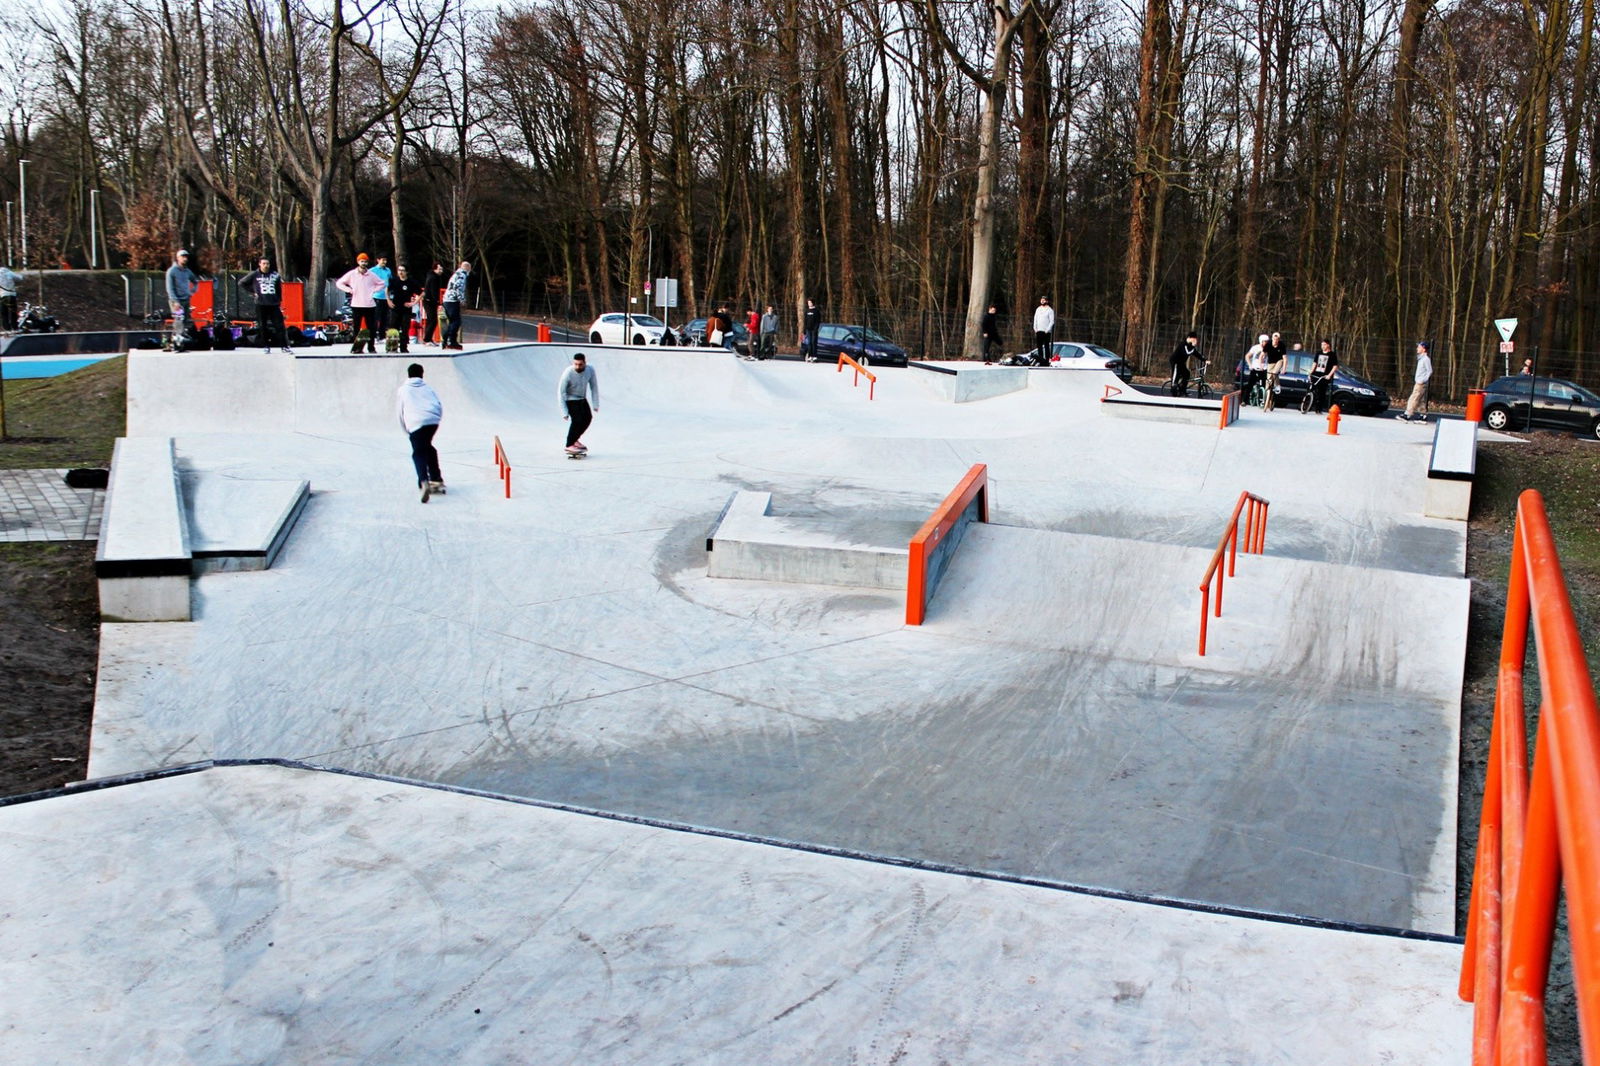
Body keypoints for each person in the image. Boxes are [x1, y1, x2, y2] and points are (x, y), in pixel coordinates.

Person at [397, 362, 445, 502]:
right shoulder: (428, 388)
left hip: (416, 423)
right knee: (428, 448)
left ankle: (424, 480)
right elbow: (438, 404)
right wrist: (436, 418)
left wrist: (406, 430)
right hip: (432, 421)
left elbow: (399, 412)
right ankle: (436, 478)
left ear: (408, 374)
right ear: (422, 374)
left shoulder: (403, 390)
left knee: (418, 452)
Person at [335, 253, 384, 353]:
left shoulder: (371, 274)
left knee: (372, 327)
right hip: (356, 304)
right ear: (358, 262)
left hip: (370, 305)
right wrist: (348, 290)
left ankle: (371, 347)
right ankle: (357, 346)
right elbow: (339, 283)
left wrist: (373, 290)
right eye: (362, 261)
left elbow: (382, 283)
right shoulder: (352, 274)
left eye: (365, 261)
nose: (364, 263)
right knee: (356, 327)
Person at [238, 257, 288, 352]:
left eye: (267, 263)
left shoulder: (275, 275)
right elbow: (241, 283)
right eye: (264, 263)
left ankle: (284, 346)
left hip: (273, 304)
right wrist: (253, 292)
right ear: (260, 264)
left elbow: (278, 288)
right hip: (261, 303)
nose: (266, 265)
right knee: (263, 326)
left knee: (279, 325)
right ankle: (266, 346)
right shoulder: (255, 274)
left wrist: (279, 300)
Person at [559, 351, 599, 455]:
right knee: (577, 420)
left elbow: (594, 387)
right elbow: (561, 392)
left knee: (587, 419)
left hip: (582, 398)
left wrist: (595, 404)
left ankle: (575, 439)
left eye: (580, 364)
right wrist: (564, 412)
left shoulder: (590, 370)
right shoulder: (568, 373)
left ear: (585, 363)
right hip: (570, 398)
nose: (578, 367)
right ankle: (569, 444)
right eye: (575, 364)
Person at [388, 264, 420, 354]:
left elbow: (422, 293)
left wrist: (413, 303)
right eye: (399, 270)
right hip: (395, 307)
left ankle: (403, 347)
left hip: (406, 309)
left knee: (405, 328)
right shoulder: (394, 281)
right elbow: (387, 289)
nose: (400, 272)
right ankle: (392, 347)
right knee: (393, 328)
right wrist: (388, 300)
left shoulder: (411, 282)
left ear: (406, 272)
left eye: (402, 270)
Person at [1401, 340, 1433, 423]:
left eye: (1419, 347)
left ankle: (1407, 415)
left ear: (1424, 349)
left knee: (1413, 398)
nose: (1417, 348)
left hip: (1420, 383)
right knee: (1420, 400)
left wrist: (1422, 380)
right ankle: (1423, 416)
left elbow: (1429, 371)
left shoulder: (1426, 359)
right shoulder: (1421, 359)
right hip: (1418, 382)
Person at [166, 249, 199, 331]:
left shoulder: (187, 271)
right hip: (177, 301)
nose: (185, 259)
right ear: (178, 258)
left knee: (185, 321)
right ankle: (177, 339)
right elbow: (170, 288)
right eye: (183, 257)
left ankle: (184, 338)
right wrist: (175, 301)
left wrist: (191, 292)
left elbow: (195, 281)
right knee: (178, 321)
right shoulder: (171, 271)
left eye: (186, 257)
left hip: (186, 300)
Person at [441, 261, 470, 350]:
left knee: (452, 321)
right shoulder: (462, 275)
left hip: (447, 299)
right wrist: (462, 300)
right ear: (467, 268)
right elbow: (458, 287)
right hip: (452, 300)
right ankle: (451, 340)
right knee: (456, 321)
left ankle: (446, 340)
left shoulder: (456, 274)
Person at [1308, 338, 1340, 413]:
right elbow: (1314, 363)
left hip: (1325, 376)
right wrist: (1311, 372)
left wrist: (1329, 375)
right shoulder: (1318, 353)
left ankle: (1319, 409)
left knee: (1321, 392)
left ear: (1328, 345)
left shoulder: (1332, 355)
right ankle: (1307, 405)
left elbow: (1335, 366)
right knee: (1311, 389)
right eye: (1322, 344)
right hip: (1316, 374)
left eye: (1324, 345)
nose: (1322, 346)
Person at [421, 263, 447, 346]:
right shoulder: (433, 278)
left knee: (430, 320)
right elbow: (433, 291)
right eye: (439, 269)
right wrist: (438, 302)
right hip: (429, 301)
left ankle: (428, 338)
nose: (441, 271)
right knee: (432, 320)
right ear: (434, 269)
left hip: (429, 300)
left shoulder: (433, 277)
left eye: (441, 269)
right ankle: (427, 339)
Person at [370, 255, 393, 341]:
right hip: (376, 296)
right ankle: (374, 336)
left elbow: (390, 281)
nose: (384, 262)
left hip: (385, 296)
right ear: (378, 260)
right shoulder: (372, 270)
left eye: (385, 260)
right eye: (383, 260)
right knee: (375, 317)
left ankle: (382, 336)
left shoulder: (388, 270)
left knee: (384, 317)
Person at [1265, 335, 1289, 412]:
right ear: (1272, 339)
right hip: (1270, 363)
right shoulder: (1268, 344)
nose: (1276, 341)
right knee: (1269, 377)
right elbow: (1262, 355)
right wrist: (1260, 364)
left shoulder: (1281, 345)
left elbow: (1285, 358)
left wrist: (1284, 369)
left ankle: (1277, 385)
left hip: (1279, 361)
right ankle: (1267, 393)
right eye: (1274, 339)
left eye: (1277, 339)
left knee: (1275, 373)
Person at [1244, 334, 1269, 404]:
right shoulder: (1255, 348)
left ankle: (1266, 401)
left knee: (1265, 384)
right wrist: (1250, 365)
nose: (1266, 343)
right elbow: (1247, 356)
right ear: (1261, 341)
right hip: (1255, 368)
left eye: (1267, 341)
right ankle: (1244, 401)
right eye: (1265, 341)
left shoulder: (1269, 348)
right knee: (1250, 385)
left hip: (1264, 369)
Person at [0, 263, 24, 332]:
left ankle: (7, 329)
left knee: (4, 313)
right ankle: (15, 328)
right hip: (12, 295)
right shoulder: (9, 272)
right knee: (13, 313)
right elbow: (20, 278)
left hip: (3, 296)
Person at [1031, 296, 1054, 366]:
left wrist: (1047, 330)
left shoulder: (1050, 310)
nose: (1042, 301)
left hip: (1046, 332)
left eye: (1044, 300)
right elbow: (1035, 319)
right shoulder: (1038, 309)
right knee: (1039, 347)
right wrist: (1035, 328)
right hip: (1039, 331)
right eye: (1041, 300)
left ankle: (1047, 361)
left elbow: (1052, 321)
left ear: (1047, 301)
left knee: (1046, 346)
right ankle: (1041, 360)